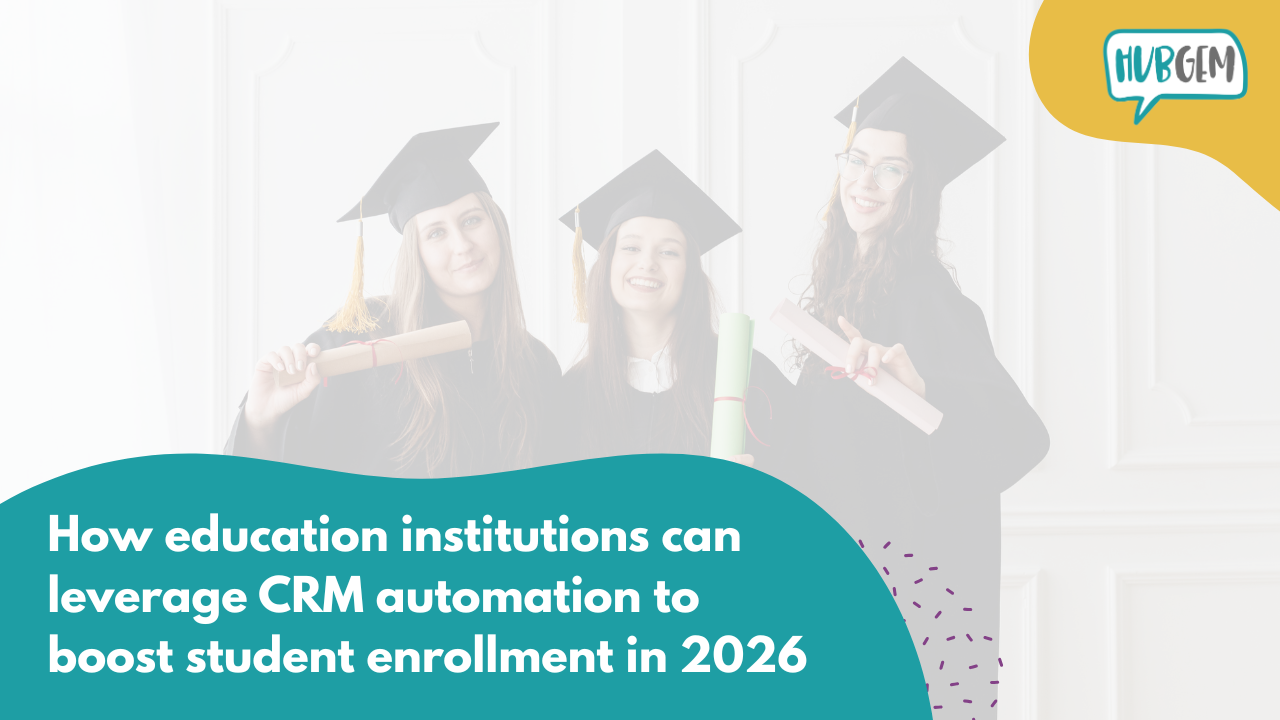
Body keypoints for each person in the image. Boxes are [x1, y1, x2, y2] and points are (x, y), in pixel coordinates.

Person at [790, 58, 1049, 716]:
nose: (864, 180)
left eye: (890, 168)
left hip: (908, 595)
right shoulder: (844, 295)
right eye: (856, 160)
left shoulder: (926, 296)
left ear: (917, 188)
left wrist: (925, 394)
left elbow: (1022, 436)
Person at [224, 123, 562, 478]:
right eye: (436, 233)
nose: (462, 245)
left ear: (497, 226)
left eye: (472, 220)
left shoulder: (536, 365)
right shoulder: (360, 339)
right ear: (417, 253)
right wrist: (260, 419)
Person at [557, 150, 793, 475]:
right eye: (630, 248)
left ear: (690, 273)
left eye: (668, 252)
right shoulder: (572, 394)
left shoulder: (748, 377)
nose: (647, 263)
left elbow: (803, 480)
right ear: (608, 264)